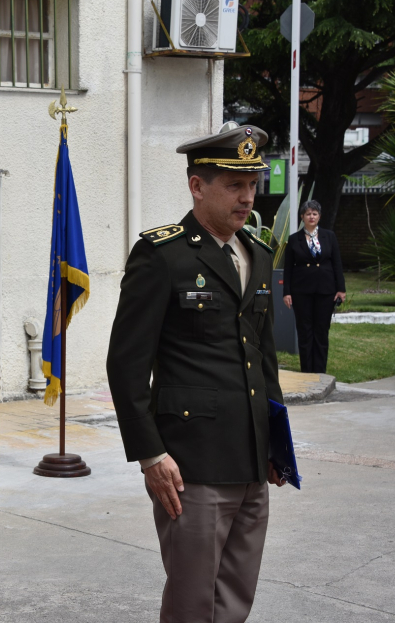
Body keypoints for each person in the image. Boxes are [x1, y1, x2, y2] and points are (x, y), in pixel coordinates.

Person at [106, 122, 287, 623]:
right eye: (234, 185)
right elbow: (126, 364)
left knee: (235, 599)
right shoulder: (163, 256)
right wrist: (150, 454)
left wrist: (275, 441)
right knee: (192, 603)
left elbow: (263, 355)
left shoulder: (259, 253)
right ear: (196, 185)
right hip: (191, 464)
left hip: (251, 460)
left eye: (252, 185)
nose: (247, 197)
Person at [281, 199, 346, 374]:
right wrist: (286, 292)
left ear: (319, 217)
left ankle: (320, 371)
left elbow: (337, 263)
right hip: (301, 291)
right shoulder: (294, 239)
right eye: (308, 213)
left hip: (326, 290)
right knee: (305, 330)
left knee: (321, 330)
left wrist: (341, 288)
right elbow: (288, 268)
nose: (311, 216)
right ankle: (307, 371)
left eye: (315, 213)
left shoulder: (329, 236)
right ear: (302, 217)